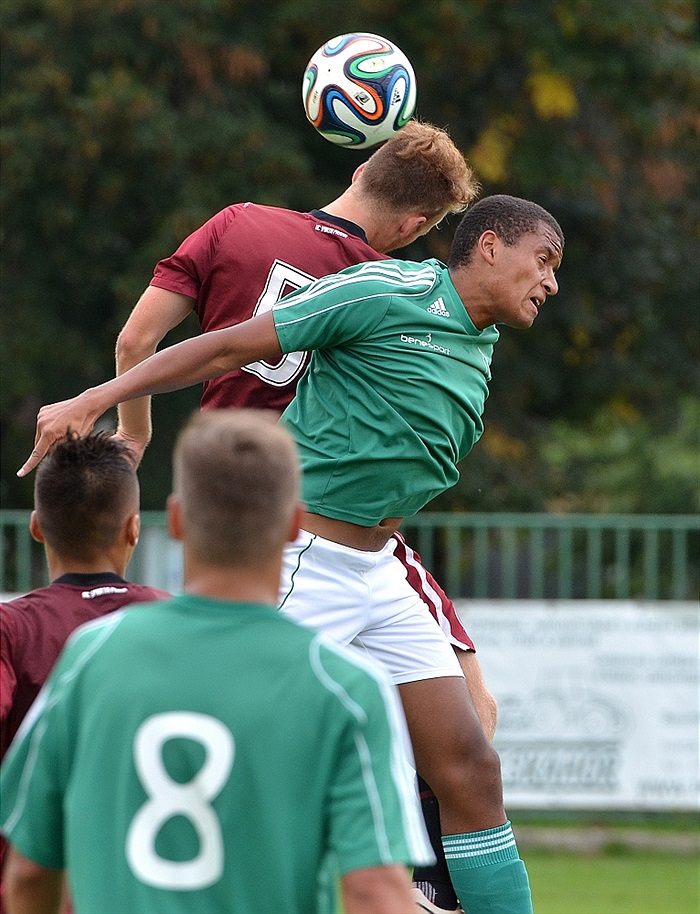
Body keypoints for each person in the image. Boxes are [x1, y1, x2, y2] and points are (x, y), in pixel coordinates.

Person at [19, 193, 565, 913]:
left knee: (470, 769)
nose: (551, 283)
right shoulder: (387, 289)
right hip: (305, 561)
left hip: (379, 570)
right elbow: (225, 347)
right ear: (489, 246)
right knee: (217, 754)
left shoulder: (479, 342)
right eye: (545, 261)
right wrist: (100, 396)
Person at [113, 119, 495, 913]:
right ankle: (416, 888)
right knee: (466, 720)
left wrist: (132, 438)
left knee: (232, 719)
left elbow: (135, 341)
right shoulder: (390, 277)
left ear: (363, 161)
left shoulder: (237, 223)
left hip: (224, 506)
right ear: (418, 225)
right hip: (321, 512)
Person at [1, 409, 434, 914]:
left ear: (177, 519)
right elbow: (374, 890)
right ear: (295, 523)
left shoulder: (92, 655)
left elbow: (31, 870)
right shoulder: (344, 685)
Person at [0, 431, 168, 911]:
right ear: (134, 528)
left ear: (36, 526)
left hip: (35, 891)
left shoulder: (12, 630)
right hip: (152, 889)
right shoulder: (179, 624)